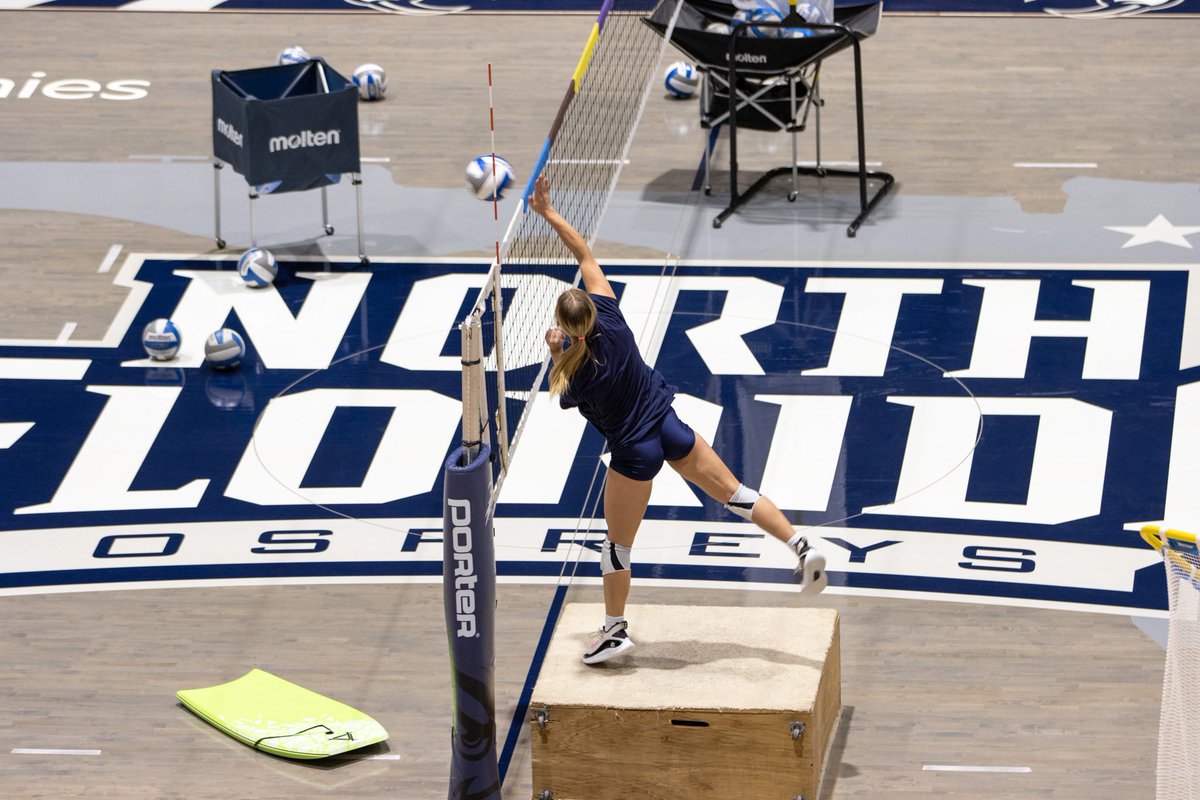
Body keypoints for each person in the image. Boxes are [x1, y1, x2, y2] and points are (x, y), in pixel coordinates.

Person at [529, 174, 827, 665]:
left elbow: (567, 371)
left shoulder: (573, 375)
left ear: (565, 327)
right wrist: (550, 213)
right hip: (670, 426)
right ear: (593, 311)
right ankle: (799, 544)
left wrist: (555, 348)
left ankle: (613, 630)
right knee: (736, 494)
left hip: (634, 452)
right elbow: (584, 256)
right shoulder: (613, 317)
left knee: (617, 547)